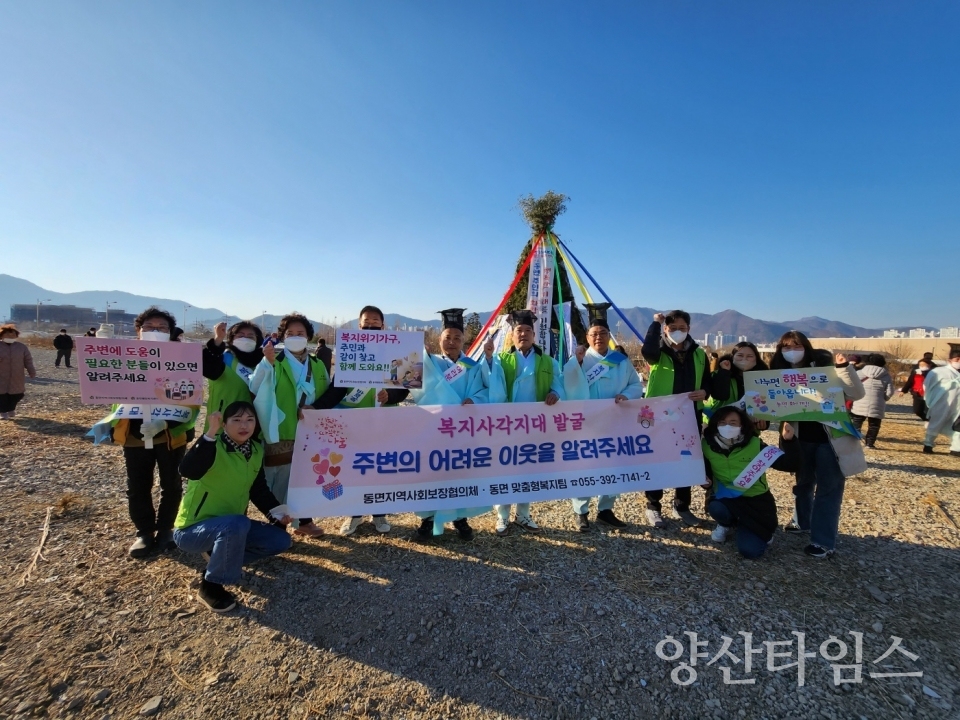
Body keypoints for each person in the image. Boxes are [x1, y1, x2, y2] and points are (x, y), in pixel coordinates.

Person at [89, 307, 200, 557]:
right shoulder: (126, 357)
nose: (155, 332)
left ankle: (166, 530)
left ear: (171, 333)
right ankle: (144, 532)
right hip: (134, 432)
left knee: (171, 484)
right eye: (149, 327)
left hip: (169, 434)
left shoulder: (182, 360)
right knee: (138, 485)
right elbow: (104, 384)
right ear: (137, 332)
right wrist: (99, 348)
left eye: (162, 328)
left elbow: (192, 402)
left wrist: (167, 424)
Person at [174, 403, 293, 612]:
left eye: (249, 420)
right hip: (192, 530)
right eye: (236, 420)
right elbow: (187, 470)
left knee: (280, 540)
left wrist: (276, 514)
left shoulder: (255, 449)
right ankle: (210, 586)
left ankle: (219, 557)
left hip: (230, 527)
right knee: (237, 523)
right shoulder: (213, 445)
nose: (243, 425)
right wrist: (210, 432)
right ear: (224, 424)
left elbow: (259, 491)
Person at [312, 306, 409, 536]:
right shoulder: (350, 350)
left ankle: (379, 513)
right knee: (353, 468)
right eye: (367, 321)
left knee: (380, 468)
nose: (371, 325)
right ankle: (353, 513)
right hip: (353, 423)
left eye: (376, 321)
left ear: (383, 326)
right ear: (359, 325)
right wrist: (314, 409)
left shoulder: (398, 350)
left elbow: (404, 388)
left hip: (384, 422)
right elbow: (337, 389)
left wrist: (390, 395)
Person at [772, 331, 865, 558]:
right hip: (799, 438)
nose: (791, 351)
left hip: (830, 438)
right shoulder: (778, 373)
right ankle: (801, 521)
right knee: (802, 483)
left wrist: (844, 368)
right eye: (786, 347)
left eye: (796, 345)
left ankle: (822, 541)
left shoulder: (827, 368)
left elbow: (857, 393)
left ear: (806, 347)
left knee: (829, 489)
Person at [641, 310, 729, 528]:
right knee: (658, 458)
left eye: (682, 328)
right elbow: (647, 352)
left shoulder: (699, 354)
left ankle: (682, 505)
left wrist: (705, 392)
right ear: (665, 329)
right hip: (659, 413)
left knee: (686, 457)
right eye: (672, 328)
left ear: (689, 328)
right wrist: (655, 325)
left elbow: (707, 381)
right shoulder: (658, 350)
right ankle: (653, 505)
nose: (678, 332)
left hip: (690, 413)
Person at [483, 309, 566, 535]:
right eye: (519, 330)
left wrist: (556, 393)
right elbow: (492, 383)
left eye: (528, 330)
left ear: (534, 334)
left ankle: (523, 514)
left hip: (535, 426)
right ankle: (502, 516)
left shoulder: (546, 360)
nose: (523, 334)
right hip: (508, 426)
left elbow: (559, 383)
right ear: (512, 333)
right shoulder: (502, 359)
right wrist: (489, 358)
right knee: (506, 469)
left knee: (529, 469)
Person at [412, 309, 490, 540]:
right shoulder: (430, 362)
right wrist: (416, 354)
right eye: (447, 337)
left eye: (457, 338)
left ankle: (459, 518)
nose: (452, 342)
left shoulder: (472, 366)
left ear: (464, 340)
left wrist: (474, 399)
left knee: (460, 474)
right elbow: (409, 381)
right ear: (439, 339)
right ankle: (428, 519)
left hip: (463, 430)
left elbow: (483, 390)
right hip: (434, 429)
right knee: (431, 473)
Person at [248, 313, 328, 538]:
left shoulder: (317, 365)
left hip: (311, 430)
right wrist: (267, 362)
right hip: (282, 429)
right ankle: (279, 524)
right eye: (290, 333)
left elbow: (326, 393)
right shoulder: (275, 360)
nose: (295, 337)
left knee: (308, 475)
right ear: (282, 336)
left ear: (308, 337)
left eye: (300, 333)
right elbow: (255, 387)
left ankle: (304, 520)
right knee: (280, 478)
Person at [565, 303, 643, 531]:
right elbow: (565, 385)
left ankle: (606, 509)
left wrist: (626, 395)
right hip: (586, 425)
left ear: (609, 336)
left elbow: (635, 385)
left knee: (613, 465)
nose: (598, 337)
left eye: (603, 333)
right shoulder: (579, 360)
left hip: (615, 423)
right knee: (585, 466)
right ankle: (581, 511)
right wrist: (576, 364)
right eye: (594, 334)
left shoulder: (621, 361)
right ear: (587, 337)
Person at [702, 406, 799, 558]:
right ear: (715, 425)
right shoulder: (707, 446)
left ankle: (750, 528)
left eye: (733, 422)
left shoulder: (755, 444)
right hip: (726, 499)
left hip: (756, 501)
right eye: (722, 423)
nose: (727, 426)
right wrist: (705, 482)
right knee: (716, 508)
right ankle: (726, 523)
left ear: (742, 425)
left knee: (750, 551)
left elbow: (789, 464)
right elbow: (704, 473)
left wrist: (789, 441)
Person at [203, 321, 264, 432]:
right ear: (231, 339)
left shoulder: (264, 363)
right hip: (220, 426)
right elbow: (208, 369)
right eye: (240, 335)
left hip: (252, 428)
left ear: (257, 341)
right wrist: (218, 340)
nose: (245, 339)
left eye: (251, 336)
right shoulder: (221, 358)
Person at [704, 341, 769, 430]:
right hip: (717, 426)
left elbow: (768, 404)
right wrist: (724, 372)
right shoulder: (719, 374)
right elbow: (720, 395)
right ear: (733, 357)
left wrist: (764, 423)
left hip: (747, 430)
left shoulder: (764, 380)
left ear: (756, 359)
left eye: (749, 356)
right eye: (740, 355)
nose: (744, 359)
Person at [849, 354, 895, 449]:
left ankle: (853, 441)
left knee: (857, 422)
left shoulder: (860, 372)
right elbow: (890, 391)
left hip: (860, 401)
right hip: (877, 403)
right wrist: (884, 398)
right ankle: (869, 444)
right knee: (874, 425)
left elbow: (851, 384)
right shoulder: (886, 375)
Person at [921, 349, 960, 455]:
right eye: (957, 359)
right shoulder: (938, 372)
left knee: (958, 426)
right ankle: (928, 444)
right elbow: (927, 386)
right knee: (936, 422)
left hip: (958, 405)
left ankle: (956, 448)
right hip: (941, 402)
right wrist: (929, 399)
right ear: (950, 360)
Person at [0, 324, 36, 419]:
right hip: (1, 375)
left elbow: (28, 360)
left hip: (17, 375)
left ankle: (11, 409)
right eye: (7, 335)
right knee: (1, 395)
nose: (10, 337)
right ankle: (3, 412)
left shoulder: (21, 347)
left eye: (13, 335)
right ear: (2, 336)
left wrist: (31, 371)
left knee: (17, 394)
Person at [899, 357, 935, 422]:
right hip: (917, 393)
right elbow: (910, 382)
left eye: (923, 365)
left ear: (929, 365)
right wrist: (903, 391)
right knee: (917, 410)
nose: (921, 366)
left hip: (929, 394)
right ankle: (927, 419)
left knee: (929, 409)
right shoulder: (916, 372)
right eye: (920, 365)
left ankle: (932, 421)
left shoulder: (934, 373)